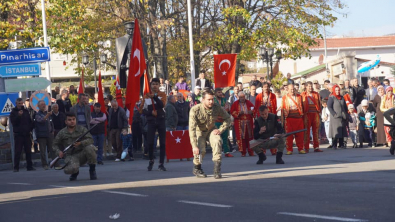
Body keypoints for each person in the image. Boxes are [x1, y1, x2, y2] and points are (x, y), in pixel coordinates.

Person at [189, 90, 231, 179]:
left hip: (212, 129)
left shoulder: (216, 107)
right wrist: (194, 146)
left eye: (212, 99)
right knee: (201, 149)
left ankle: (217, 170)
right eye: (209, 99)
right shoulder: (195, 110)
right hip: (199, 131)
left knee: (217, 141)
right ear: (203, 100)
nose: (211, 102)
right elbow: (192, 129)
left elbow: (228, 118)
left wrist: (220, 129)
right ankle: (197, 168)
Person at [53, 112, 97, 181]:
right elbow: (54, 144)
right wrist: (59, 152)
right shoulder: (62, 132)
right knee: (69, 170)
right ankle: (75, 172)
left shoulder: (82, 129)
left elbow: (90, 139)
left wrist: (81, 143)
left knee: (90, 147)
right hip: (71, 155)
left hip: (83, 153)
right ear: (66, 122)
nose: (72, 121)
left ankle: (92, 170)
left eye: (73, 119)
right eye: (69, 120)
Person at [139, 78, 167, 171]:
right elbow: (141, 110)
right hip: (151, 121)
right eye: (153, 84)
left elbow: (161, 105)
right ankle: (151, 160)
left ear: (159, 85)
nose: (155, 86)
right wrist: (150, 113)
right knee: (150, 142)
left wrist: (154, 97)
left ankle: (161, 163)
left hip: (161, 120)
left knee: (162, 143)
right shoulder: (146, 96)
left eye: (156, 84)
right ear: (150, 85)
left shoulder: (162, 94)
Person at [10, 98, 36, 172]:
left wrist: (30, 128)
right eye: (19, 103)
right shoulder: (13, 112)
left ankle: (29, 166)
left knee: (28, 151)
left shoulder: (25, 111)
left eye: (21, 103)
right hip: (18, 135)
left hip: (26, 134)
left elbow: (29, 121)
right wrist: (18, 115)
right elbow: (14, 122)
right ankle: (16, 167)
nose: (21, 105)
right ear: (16, 103)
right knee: (18, 151)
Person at [254, 82, 277, 155]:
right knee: (263, 133)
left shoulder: (273, 95)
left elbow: (275, 106)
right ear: (262, 88)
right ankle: (262, 150)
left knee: (272, 132)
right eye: (264, 87)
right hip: (262, 117)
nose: (266, 88)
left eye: (267, 86)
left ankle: (273, 150)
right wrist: (258, 117)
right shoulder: (258, 96)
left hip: (270, 116)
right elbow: (256, 107)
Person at [281, 84, 305, 155]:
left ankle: (300, 148)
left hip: (298, 118)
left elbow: (302, 107)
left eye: (293, 89)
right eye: (290, 89)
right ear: (287, 90)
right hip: (289, 118)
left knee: (300, 134)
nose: (292, 90)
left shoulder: (299, 97)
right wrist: (283, 120)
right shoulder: (284, 98)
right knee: (289, 135)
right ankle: (289, 149)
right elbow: (282, 109)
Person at [35, 100, 58, 170]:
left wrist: (52, 130)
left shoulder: (47, 113)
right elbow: (41, 120)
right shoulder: (37, 114)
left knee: (52, 150)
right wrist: (48, 115)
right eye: (42, 104)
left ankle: (55, 163)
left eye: (44, 104)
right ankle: (44, 164)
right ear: (38, 106)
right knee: (43, 151)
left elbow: (51, 123)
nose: (43, 105)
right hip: (42, 135)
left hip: (49, 134)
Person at [301, 81, 323, 152]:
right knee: (306, 131)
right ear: (306, 87)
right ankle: (306, 147)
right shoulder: (302, 95)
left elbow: (319, 103)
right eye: (309, 86)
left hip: (315, 113)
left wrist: (320, 112)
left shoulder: (316, 94)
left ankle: (316, 147)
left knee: (315, 131)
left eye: (311, 86)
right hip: (307, 114)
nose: (310, 87)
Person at [230, 92, 254, 157]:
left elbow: (254, 109)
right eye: (240, 97)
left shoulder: (248, 102)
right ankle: (243, 152)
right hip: (240, 123)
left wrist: (251, 112)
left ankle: (251, 151)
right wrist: (238, 113)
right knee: (241, 138)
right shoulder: (235, 104)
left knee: (250, 137)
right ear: (238, 97)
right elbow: (232, 111)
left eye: (243, 97)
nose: (242, 98)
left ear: (245, 97)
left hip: (248, 123)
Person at [327, 85, 348, 149]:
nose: (337, 91)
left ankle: (341, 144)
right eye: (336, 90)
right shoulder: (331, 98)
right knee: (335, 131)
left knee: (342, 130)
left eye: (338, 90)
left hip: (342, 117)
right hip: (335, 117)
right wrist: (334, 114)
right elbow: (329, 107)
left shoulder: (342, 97)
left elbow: (345, 107)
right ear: (333, 90)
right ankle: (334, 144)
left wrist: (346, 114)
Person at [213, 88, 232, 157]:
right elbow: (213, 109)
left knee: (225, 137)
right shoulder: (213, 100)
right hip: (216, 121)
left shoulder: (224, 100)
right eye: (218, 92)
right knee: (216, 138)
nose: (220, 94)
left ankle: (227, 152)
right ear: (215, 93)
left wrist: (221, 110)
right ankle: (217, 153)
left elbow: (227, 108)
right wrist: (221, 109)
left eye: (221, 92)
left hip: (224, 121)